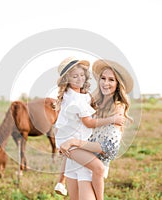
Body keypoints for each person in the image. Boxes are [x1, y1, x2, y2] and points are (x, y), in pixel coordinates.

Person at [58, 59, 134, 198]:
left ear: (118, 84)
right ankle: (60, 182)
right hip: (76, 160)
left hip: (92, 168)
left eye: (111, 80)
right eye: (103, 78)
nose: (106, 83)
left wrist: (75, 142)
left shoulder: (117, 107)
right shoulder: (92, 102)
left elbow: (109, 148)